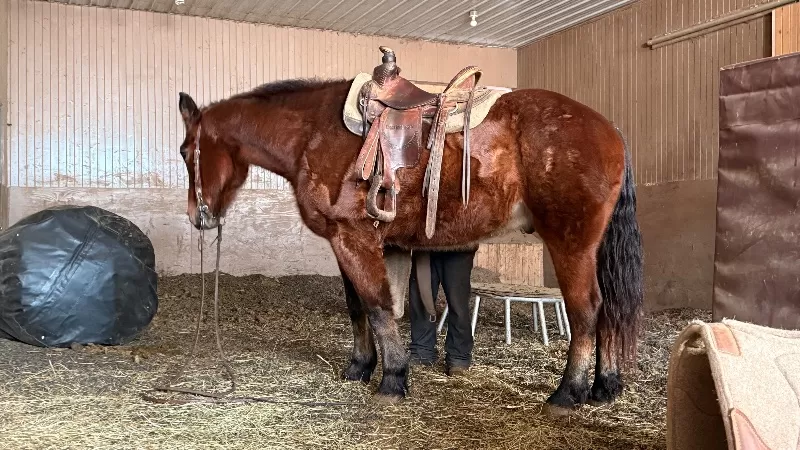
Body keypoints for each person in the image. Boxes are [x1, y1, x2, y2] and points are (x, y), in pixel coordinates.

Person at [407, 247, 477, 376]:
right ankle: (422, 351)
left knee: (458, 303)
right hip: (424, 246)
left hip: (458, 244)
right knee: (420, 298)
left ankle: (458, 356)